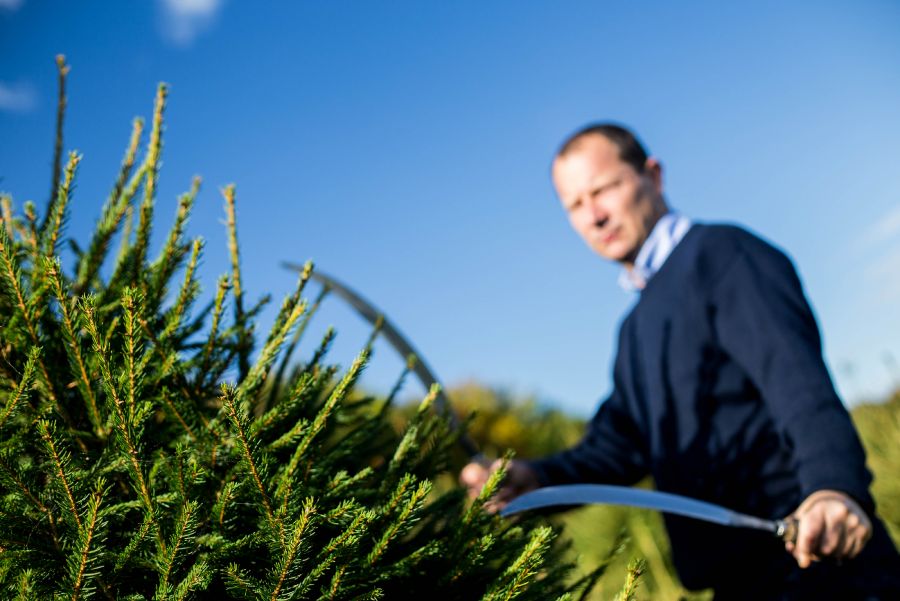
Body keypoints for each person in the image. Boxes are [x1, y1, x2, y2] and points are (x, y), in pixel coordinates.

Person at [460, 123, 900, 599]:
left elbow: (796, 382)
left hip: (819, 567)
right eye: (575, 206)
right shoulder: (634, 330)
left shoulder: (722, 257)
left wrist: (835, 489)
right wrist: (535, 479)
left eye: (603, 190)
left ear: (653, 176)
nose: (594, 217)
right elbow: (617, 447)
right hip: (739, 585)